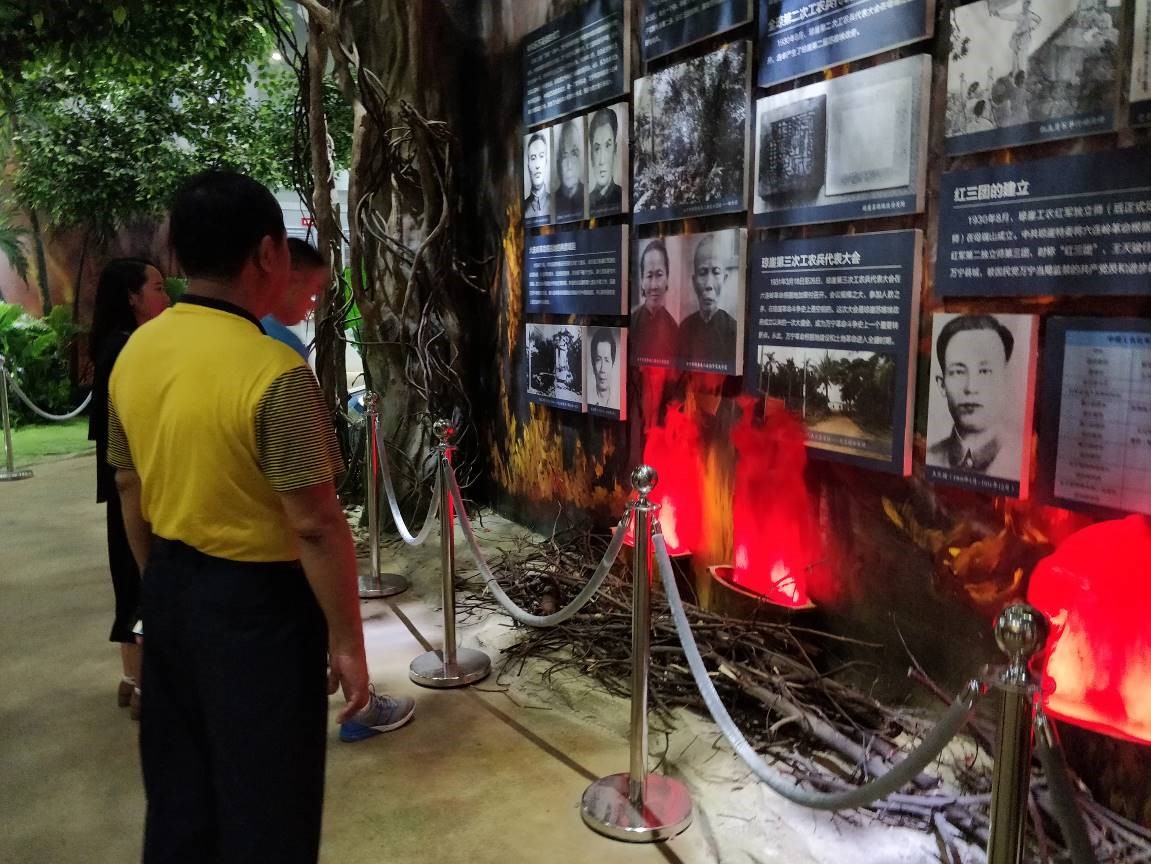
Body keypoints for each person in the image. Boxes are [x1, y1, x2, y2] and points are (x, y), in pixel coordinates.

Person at [107, 170, 413, 864]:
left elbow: (129, 485)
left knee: (180, 795)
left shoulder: (136, 352)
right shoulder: (274, 372)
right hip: (258, 611)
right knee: (268, 802)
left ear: (179, 255)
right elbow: (315, 524)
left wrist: (163, 582)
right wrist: (347, 642)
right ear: (268, 254)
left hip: (172, 589)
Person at [87, 257, 169, 720]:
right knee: (141, 576)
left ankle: (131, 677)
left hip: (125, 481)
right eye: (157, 287)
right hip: (134, 484)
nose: (166, 296)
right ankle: (143, 684)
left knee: (130, 576)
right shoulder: (128, 350)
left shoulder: (118, 345)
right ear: (133, 298)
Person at [927, 315, 1014, 475]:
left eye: (985, 371)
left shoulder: (1019, 460)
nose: (971, 388)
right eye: (958, 372)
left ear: (1005, 381)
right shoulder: (928, 458)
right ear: (942, 385)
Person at [261, 237, 329, 360]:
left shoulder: (241, 320)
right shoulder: (287, 348)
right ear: (293, 280)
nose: (313, 305)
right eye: (312, 294)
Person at [678, 235, 737, 367]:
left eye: (716, 272)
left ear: (724, 279)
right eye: (703, 272)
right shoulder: (684, 329)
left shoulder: (733, 331)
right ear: (694, 282)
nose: (709, 284)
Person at [630, 239, 678, 364]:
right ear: (642, 280)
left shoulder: (675, 330)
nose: (654, 285)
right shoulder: (631, 324)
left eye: (659, 274)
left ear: (667, 277)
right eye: (649, 276)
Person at [587, 107, 622, 213]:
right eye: (597, 148)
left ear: (615, 151)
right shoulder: (586, 202)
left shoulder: (622, 196)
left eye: (608, 146)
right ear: (591, 156)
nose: (602, 160)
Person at [553, 119, 585, 222]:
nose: (569, 165)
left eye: (574, 153)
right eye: (564, 155)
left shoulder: (588, 196)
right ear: (558, 162)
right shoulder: (552, 202)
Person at [588, 328, 618, 409]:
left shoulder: (618, 402)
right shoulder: (587, 399)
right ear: (593, 364)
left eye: (607, 360)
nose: (602, 369)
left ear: (612, 364)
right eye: (598, 360)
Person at [523, 131, 550, 219]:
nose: (537, 165)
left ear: (546, 162)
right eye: (533, 158)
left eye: (541, 156)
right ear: (528, 165)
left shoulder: (556, 203)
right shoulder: (522, 208)